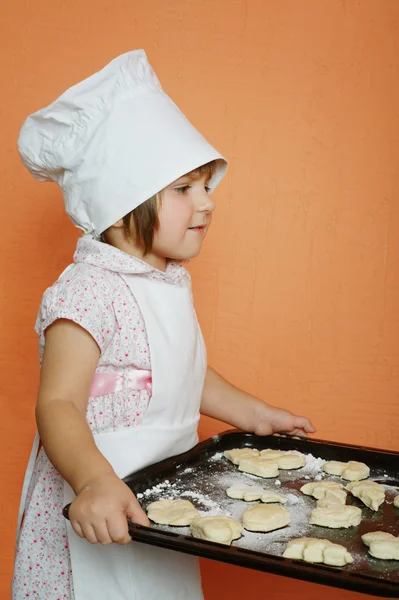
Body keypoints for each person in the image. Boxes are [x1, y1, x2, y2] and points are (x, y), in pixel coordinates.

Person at [13, 50, 315, 600]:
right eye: (184, 189)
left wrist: (253, 413)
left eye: (206, 187)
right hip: (100, 500)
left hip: (162, 497)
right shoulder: (89, 289)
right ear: (122, 204)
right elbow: (56, 404)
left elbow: (182, 372)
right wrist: (93, 482)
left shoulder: (169, 281)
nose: (208, 203)